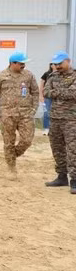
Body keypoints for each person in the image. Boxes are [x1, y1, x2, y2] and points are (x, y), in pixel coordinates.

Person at [0, 52, 38, 174]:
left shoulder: (29, 75)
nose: (24, 65)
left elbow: (35, 92)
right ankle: (11, 167)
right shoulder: (1, 76)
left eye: (24, 63)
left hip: (25, 113)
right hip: (7, 114)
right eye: (21, 63)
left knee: (27, 140)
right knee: (8, 142)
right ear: (13, 63)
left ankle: (12, 155)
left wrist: (34, 109)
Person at [44, 51, 76, 193]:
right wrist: (62, 92)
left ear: (68, 61)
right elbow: (46, 92)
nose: (57, 66)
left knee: (72, 150)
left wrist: (56, 91)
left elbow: (73, 94)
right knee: (57, 148)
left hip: (71, 119)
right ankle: (62, 176)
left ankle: (74, 180)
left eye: (60, 63)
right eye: (55, 64)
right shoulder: (52, 76)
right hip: (55, 118)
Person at [41, 63, 55, 136]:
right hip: (47, 97)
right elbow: (42, 85)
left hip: (57, 97)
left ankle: (53, 130)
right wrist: (41, 96)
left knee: (55, 114)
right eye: (52, 64)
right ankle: (46, 128)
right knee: (46, 113)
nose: (54, 65)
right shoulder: (47, 74)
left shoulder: (61, 74)